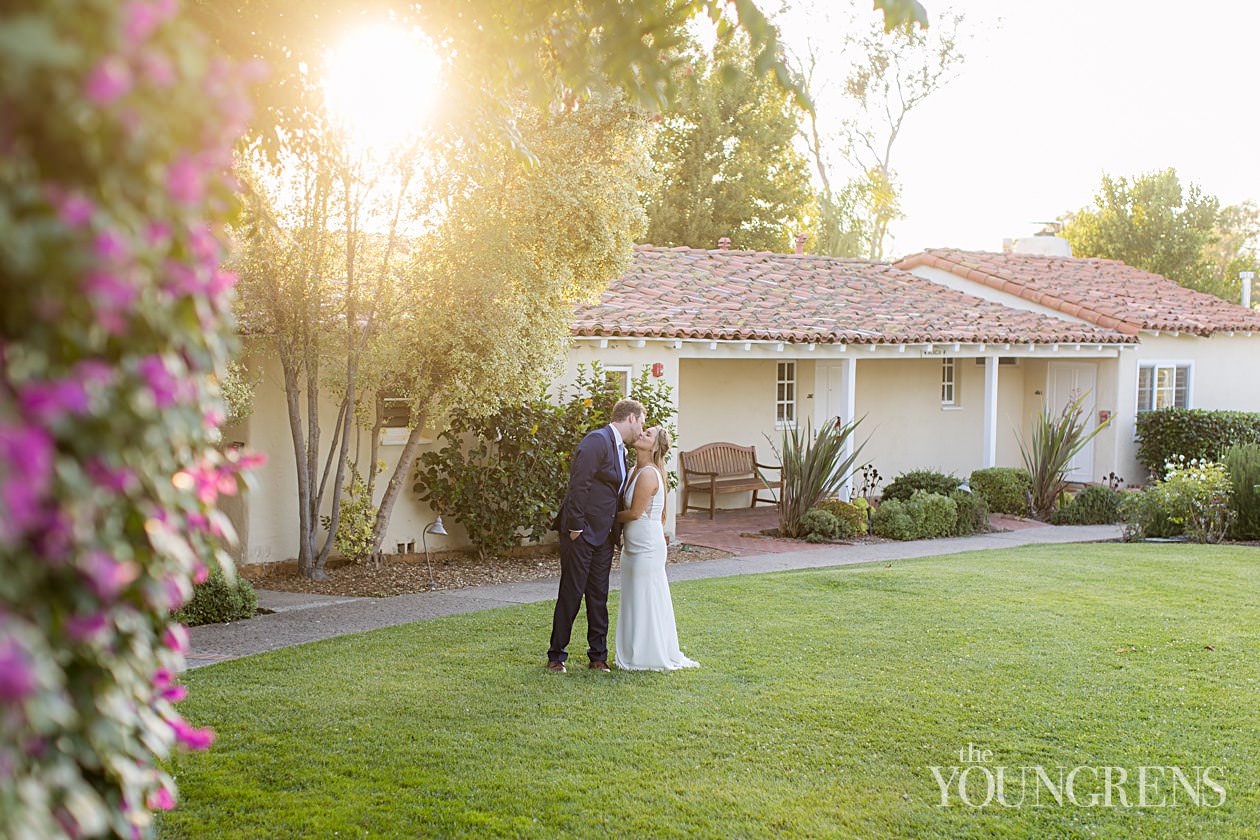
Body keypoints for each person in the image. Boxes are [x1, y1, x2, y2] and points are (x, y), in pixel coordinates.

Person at [547, 398, 645, 673]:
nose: (641, 431)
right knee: (571, 593)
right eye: (642, 424)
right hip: (582, 533)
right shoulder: (597, 440)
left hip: (604, 536)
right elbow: (579, 484)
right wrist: (576, 527)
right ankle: (557, 656)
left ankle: (598, 657)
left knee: (598, 596)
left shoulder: (619, 450)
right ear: (632, 418)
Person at [613, 426, 699, 672]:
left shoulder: (649, 474)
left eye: (647, 434)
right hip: (632, 546)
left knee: (646, 598)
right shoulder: (633, 470)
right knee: (633, 598)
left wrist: (601, 518)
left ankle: (646, 655)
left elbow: (634, 513)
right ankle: (633, 650)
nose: (641, 434)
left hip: (646, 547)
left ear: (654, 447)